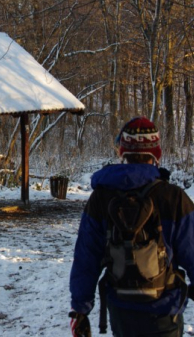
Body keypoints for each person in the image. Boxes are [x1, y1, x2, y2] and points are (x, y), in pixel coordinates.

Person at [69, 116, 194, 337]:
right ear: (156, 154)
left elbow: (86, 258)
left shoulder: (101, 197)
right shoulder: (174, 197)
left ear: (122, 152)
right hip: (165, 311)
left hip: (121, 310)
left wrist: (80, 309)